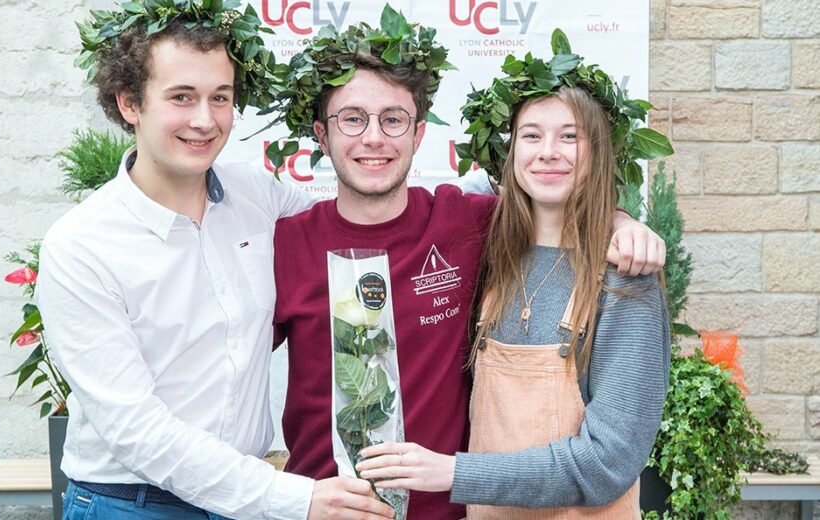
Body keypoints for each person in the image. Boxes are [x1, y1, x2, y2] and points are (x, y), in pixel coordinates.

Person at [270, 16, 667, 520]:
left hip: (449, 509)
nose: (374, 138)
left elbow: (558, 200)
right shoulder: (281, 242)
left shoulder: (465, 225)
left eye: (392, 119)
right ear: (321, 135)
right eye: (353, 119)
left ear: (418, 135)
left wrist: (621, 221)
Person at [35, 4, 395, 519]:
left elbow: (354, 222)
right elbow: (137, 430)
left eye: (220, 98)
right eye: (182, 97)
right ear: (129, 102)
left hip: (242, 498)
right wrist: (294, 499)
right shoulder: (80, 246)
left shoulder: (259, 197)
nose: (204, 120)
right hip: (133, 505)